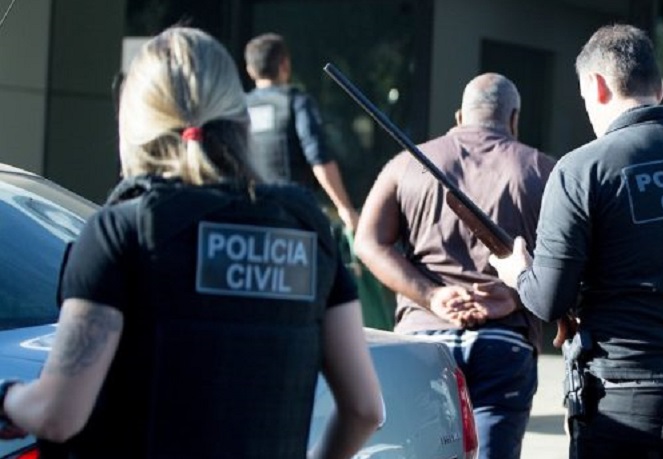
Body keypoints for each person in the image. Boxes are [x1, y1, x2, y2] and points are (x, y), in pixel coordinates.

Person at [0, 27, 382, 458]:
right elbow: (365, 409)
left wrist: (8, 398)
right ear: (238, 117)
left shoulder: (122, 231)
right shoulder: (304, 229)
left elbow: (58, 415)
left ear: (135, 121)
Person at [490, 24, 663, 459]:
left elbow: (548, 300)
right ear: (660, 87)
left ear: (597, 86)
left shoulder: (582, 168)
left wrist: (518, 272)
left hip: (628, 402)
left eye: (584, 98)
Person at [354, 72, 555, 459]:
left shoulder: (406, 164)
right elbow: (569, 258)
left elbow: (368, 242)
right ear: (513, 119)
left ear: (460, 117)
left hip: (422, 344)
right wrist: (517, 293)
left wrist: (431, 296)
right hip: (504, 342)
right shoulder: (542, 170)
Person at [244, 33, 359, 232]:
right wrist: (345, 208)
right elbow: (318, 157)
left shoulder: (240, 107)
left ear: (250, 70)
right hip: (293, 215)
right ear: (285, 64)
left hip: (251, 215)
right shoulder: (296, 102)